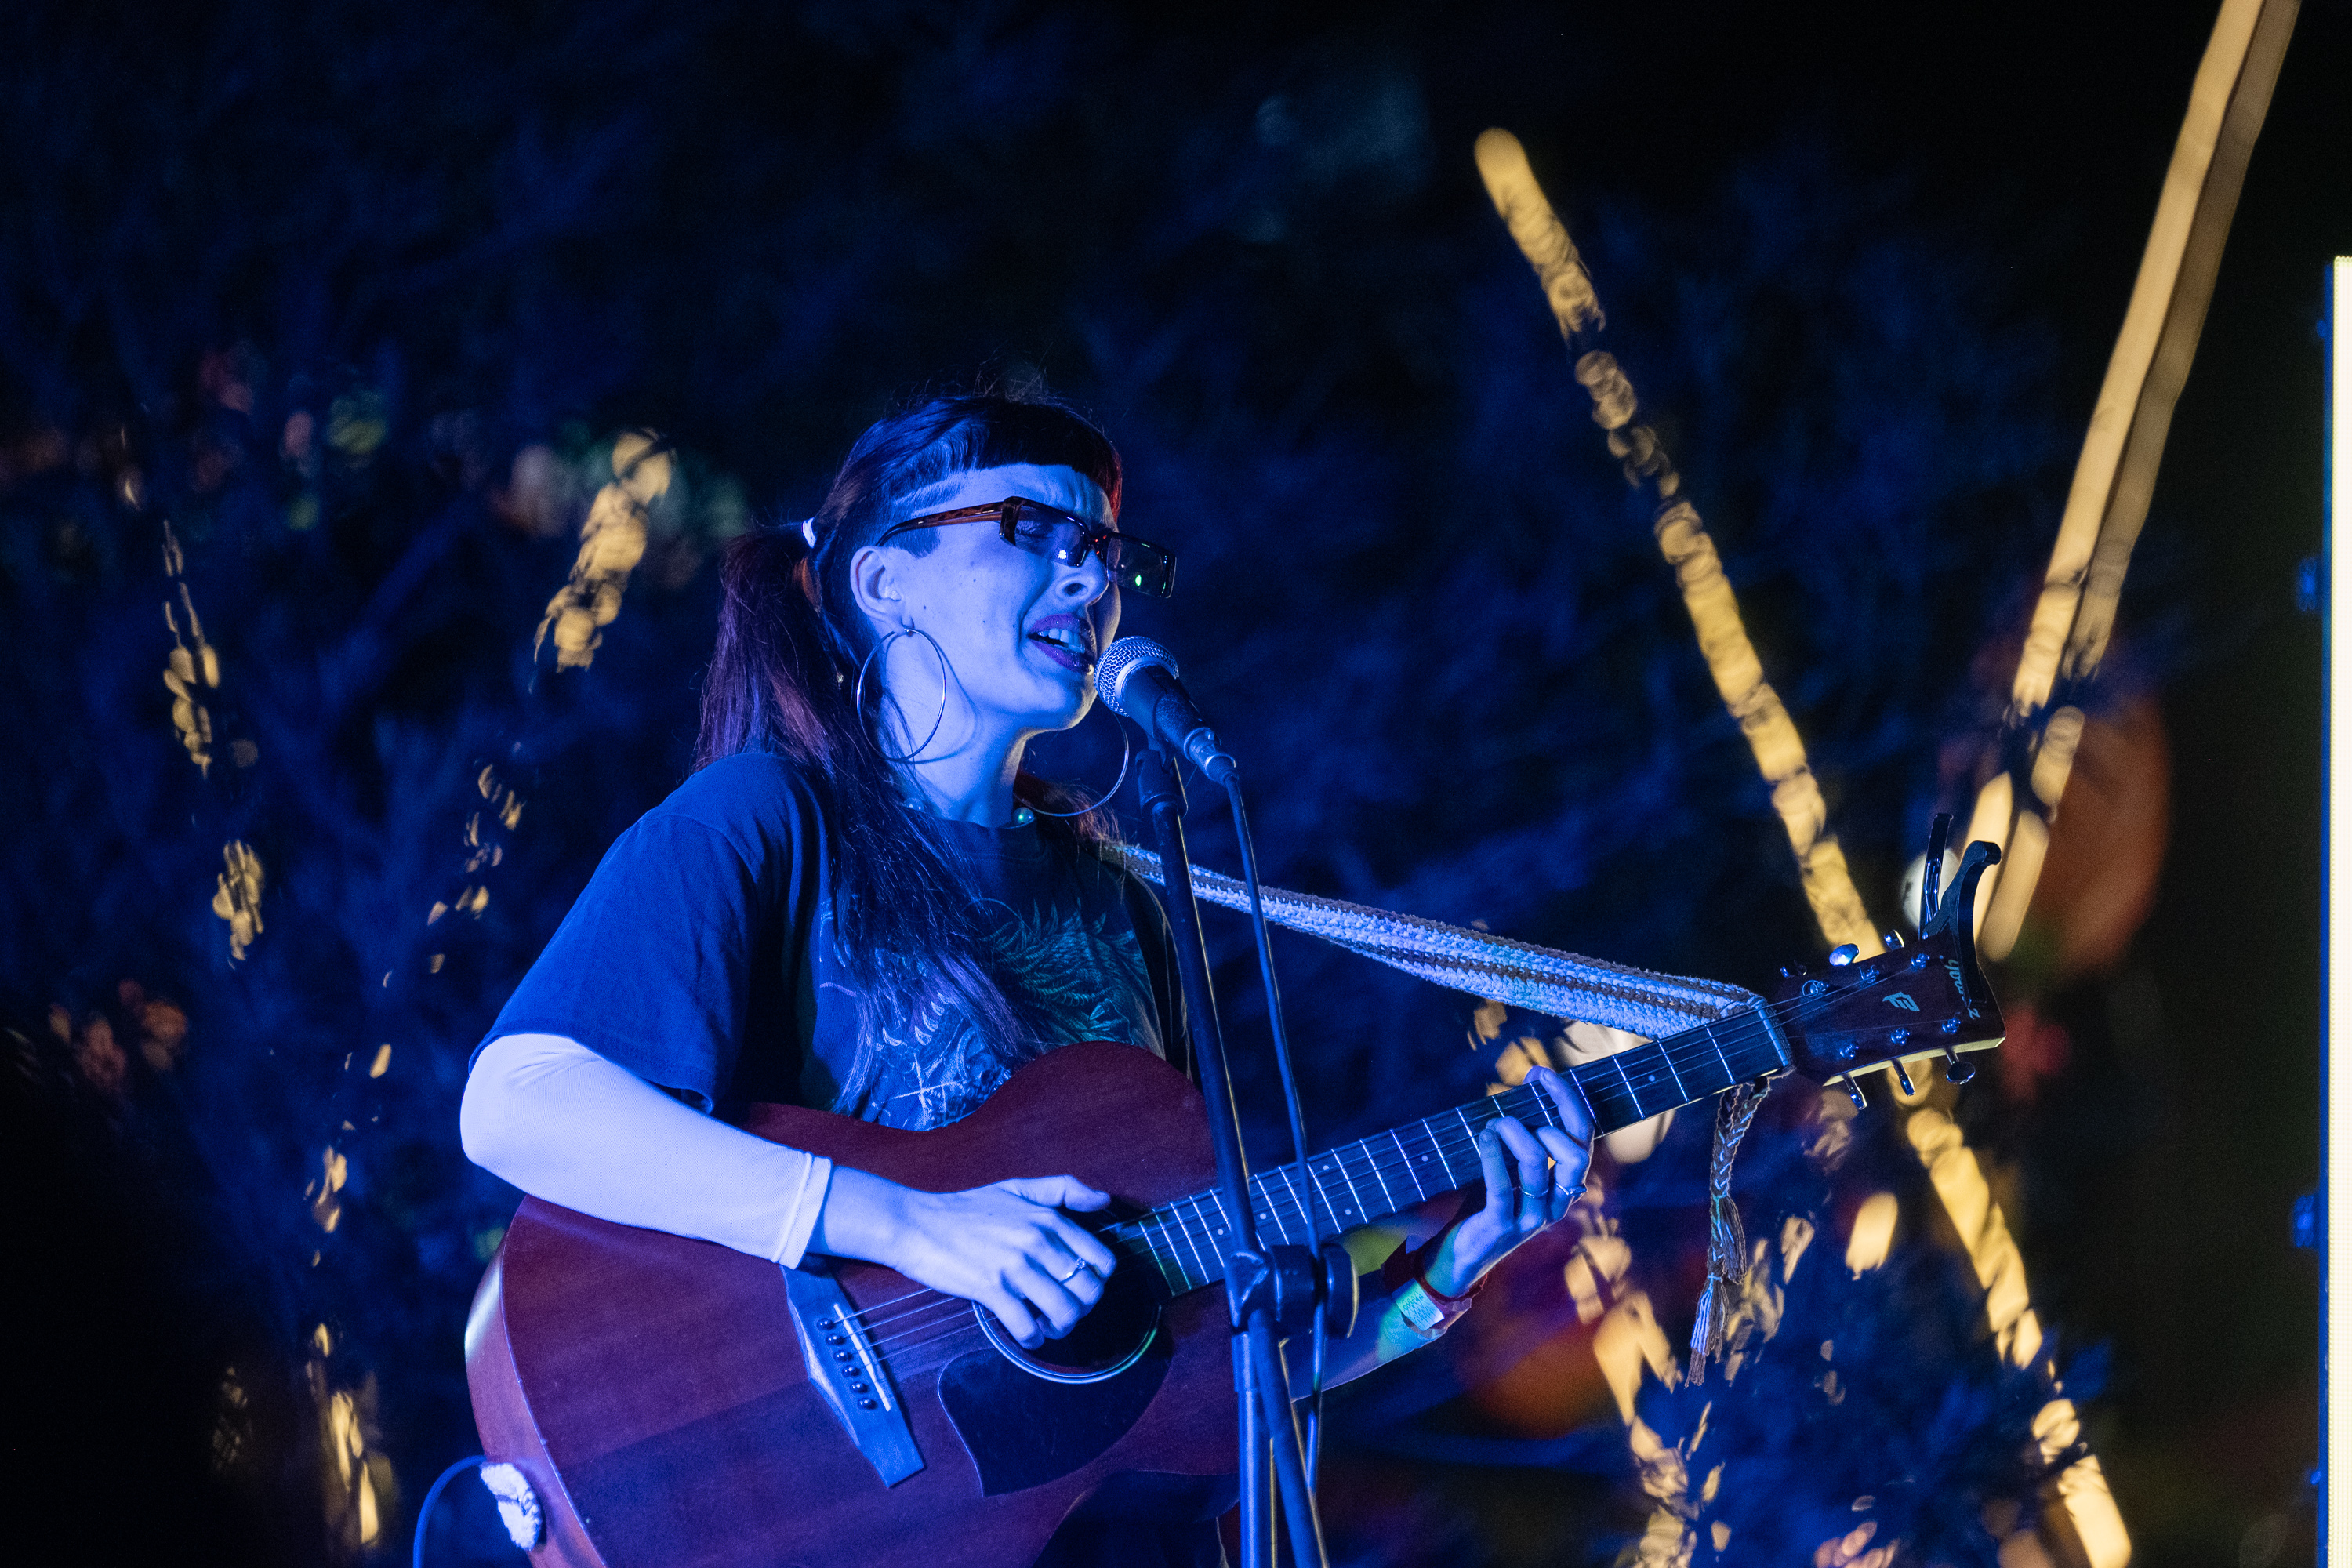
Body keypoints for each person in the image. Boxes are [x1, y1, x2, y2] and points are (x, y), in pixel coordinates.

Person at [459, 390, 1594, 1566]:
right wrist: (914, 1225)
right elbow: (519, 1100)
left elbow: (1190, 1353)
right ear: (885, 581)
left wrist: (1443, 1274)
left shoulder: (1122, 907)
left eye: (1101, 552)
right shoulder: (764, 817)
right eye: (1031, 531)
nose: (1086, 580)